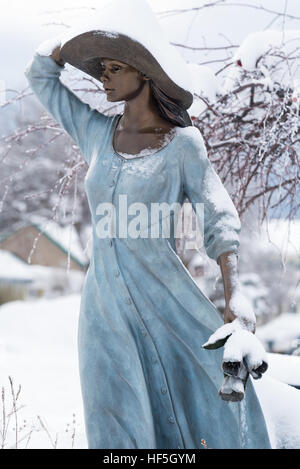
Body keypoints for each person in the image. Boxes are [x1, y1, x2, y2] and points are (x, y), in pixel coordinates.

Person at [24, 0, 271, 449]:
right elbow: (40, 77)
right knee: (113, 415)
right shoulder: (96, 133)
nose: (104, 77)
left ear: (145, 73)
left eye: (115, 66)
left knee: (204, 407)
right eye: (101, 68)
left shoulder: (183, 146)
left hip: (167, 298)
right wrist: (72, 43)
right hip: (103, 308)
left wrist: (234, 290)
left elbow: (218, 215)